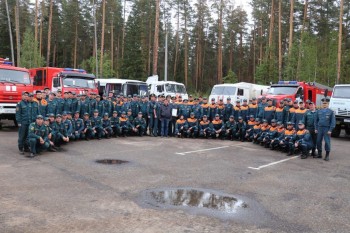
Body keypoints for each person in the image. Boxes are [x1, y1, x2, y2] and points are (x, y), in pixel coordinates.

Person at [314, 97, 335, 161]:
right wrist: (316, 128)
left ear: (328, 104)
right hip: (319, 128)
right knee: (318, 141)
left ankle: (327, 155)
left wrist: (330, 130)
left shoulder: (331, 112)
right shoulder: (318, 111)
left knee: (327, 142)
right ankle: (319, 154)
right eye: (323, 103)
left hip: (327, 129)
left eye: (325, 103)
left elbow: (333, 122)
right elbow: (316, 121)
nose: (324, 104)